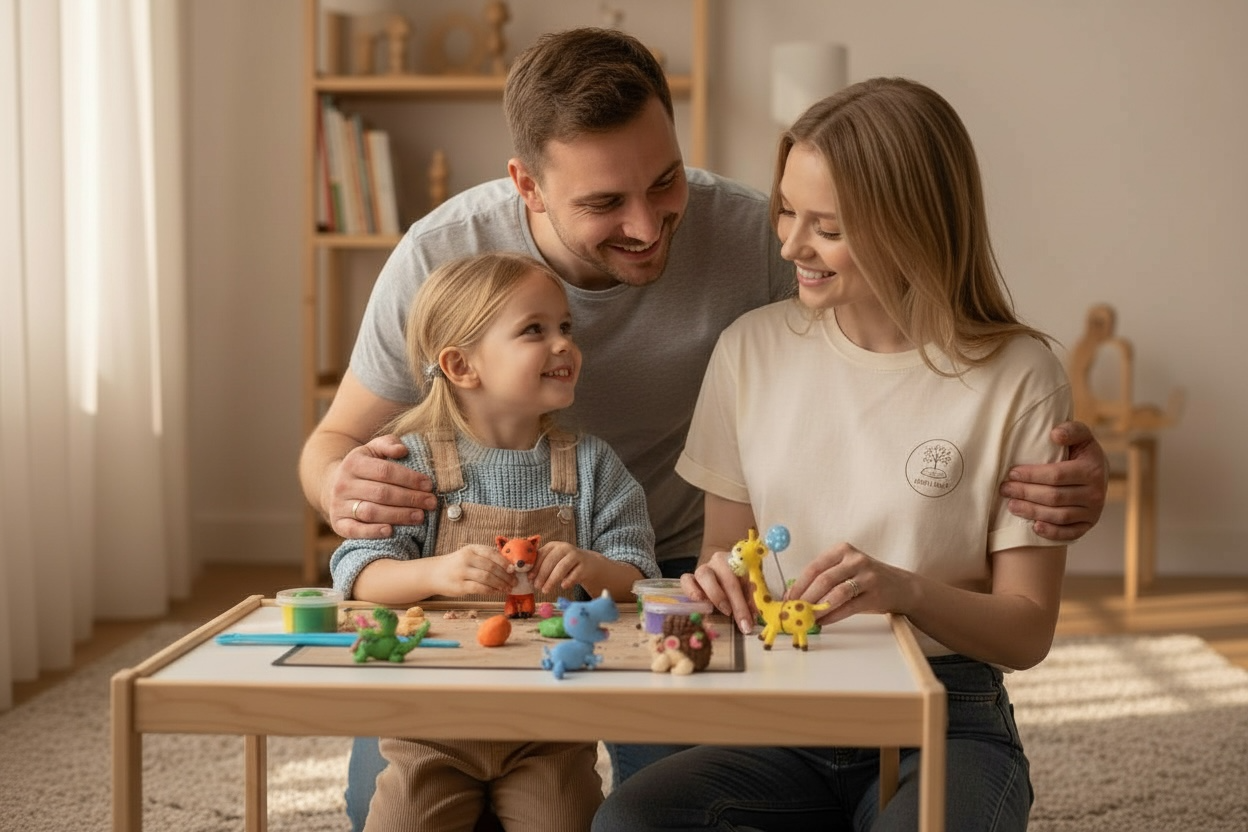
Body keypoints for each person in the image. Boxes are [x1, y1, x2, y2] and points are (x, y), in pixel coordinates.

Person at [296, 27, 1108, 828]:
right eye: (605, 202)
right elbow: (331, 449)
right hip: (500, 581)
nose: (649, 227)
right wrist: (343, 486)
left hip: (678, 566)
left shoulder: (759, 240)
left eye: (666, 181)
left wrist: (1062, 472)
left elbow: (921, 354)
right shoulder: (444, 256)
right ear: (528, 186)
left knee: (634, 800)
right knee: (392, 802)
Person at [593, 76, 1075, 832]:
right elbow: (727, 549)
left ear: (911, 227)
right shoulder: (750, 350)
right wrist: (719, 582)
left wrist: (906, 592)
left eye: (827, 226)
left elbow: (1027, 630)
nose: (788, 243)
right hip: (787, 714)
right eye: (786, 209)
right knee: (633, 819)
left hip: (947, 714)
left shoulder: (1020, 376)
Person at [330, 251, 659, 831]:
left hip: (549, 733)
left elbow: (638, 575)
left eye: (565, 327)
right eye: (535, 330)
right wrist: (433, 575)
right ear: (460, 365)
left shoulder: (592, 465)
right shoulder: (415, 463)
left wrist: (589, 566)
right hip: (429, 728)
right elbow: (359, 573)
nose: (563, 344)